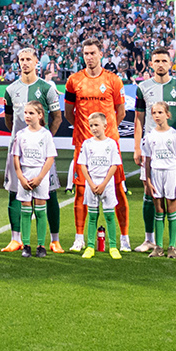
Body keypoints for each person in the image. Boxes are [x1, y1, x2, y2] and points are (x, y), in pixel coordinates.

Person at [64, 39, 126, 253]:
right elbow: (68, 113)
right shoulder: (73, 80)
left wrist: (105, 135)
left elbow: (120, 112)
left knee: (117, 189)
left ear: (101, 54)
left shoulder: (113, 80)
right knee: (81, 191)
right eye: (85, 53)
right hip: (83, 143)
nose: (89, 57)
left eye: (92, 53)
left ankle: (123, 239)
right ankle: (79, 238)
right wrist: (86, 133)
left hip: (110, 143)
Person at [4, 48, 62, 253]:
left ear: (37, 62)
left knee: (50, 193)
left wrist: (45, 141)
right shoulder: (11, 89)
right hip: (18, 150)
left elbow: (57, 118)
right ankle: (16, 238)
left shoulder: (47, 88)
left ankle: (54, 240)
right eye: (21, 59)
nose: (25, 63)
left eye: (29, 59)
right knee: (14, 192)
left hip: (40, 152)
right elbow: (9, 118)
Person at [139, 49, 176, 254]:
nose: (160, 64)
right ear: (151, 63)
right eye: (156, 61)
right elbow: (138, 119)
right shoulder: (142, 87)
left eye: (164, 60)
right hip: (153, 153)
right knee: (150, 194)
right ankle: (150, 240)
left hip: (175, 154)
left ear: (171, 63)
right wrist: (137, 147)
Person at [11, 100, 59, 258]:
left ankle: (41, 245)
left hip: (40, 175)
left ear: (40, 115)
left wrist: (39, 178)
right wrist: (20, 177)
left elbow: (50, 158)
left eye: (31, 113)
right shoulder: (21, 134)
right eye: (25, 113)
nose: (27, 116)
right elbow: (16, 157)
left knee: (40, 211)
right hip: (25, 175)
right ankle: (26, 245)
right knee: (25, 211)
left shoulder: (45, 135)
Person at [74, 110, 124, 260]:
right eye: (91, 125)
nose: (94, 128)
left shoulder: (111, 144)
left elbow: (114, 165)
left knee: (109, 216)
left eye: (96, 125)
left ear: (105, 125)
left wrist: (103, 183)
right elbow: (83, 165)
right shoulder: (87, 144)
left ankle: (113, 247)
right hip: (92, 183)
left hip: (106, 184)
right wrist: (90, 183)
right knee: (92, 216)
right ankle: (90, 246)